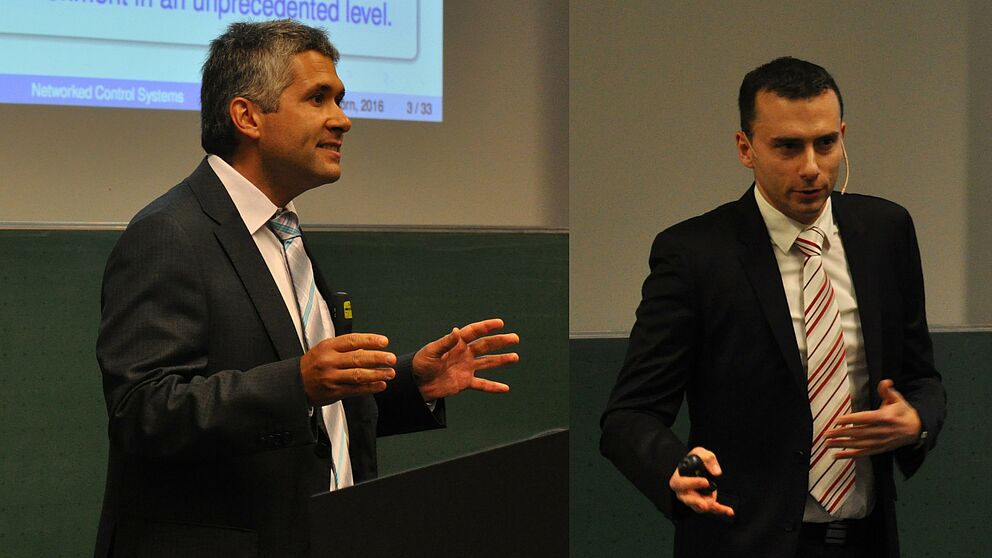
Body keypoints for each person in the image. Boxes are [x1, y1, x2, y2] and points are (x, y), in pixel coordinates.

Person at [95, 20, 519, 557]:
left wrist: (413, 383)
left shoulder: (286, 233)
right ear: (247, 115)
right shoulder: (171, 233)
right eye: (318, 98)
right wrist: (297, 381)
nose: (342, 120)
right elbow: (143, 411)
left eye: (340, 99)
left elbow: (310, 412)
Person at [600, 57, 946, 558]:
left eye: (825, 143)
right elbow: (628, 416)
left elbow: (922, 377)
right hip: (744, 541)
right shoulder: (695, 254)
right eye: (787, 146)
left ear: (842, 136)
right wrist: (673, 467)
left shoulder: (886, 232)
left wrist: (916, 420)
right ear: (746, 148)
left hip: (866, 539)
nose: (810, 167)